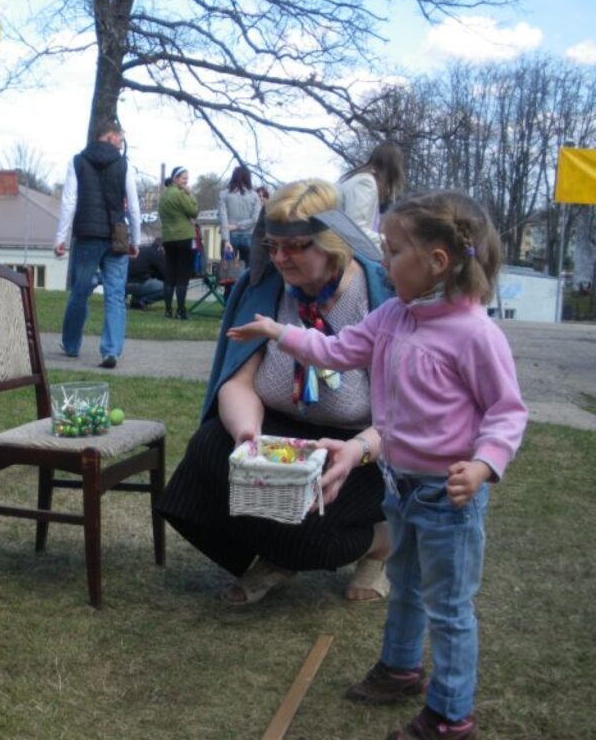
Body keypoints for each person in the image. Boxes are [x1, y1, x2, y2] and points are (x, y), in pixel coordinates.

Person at [229, 190, 527, 740]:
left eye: (391, 252)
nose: (382, 263)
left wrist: (484, 466)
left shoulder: (475, 334)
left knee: (449, 606)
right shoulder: (393, 315)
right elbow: (336, 350)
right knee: (406, 583)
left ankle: (450, 716)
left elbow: (507, 413)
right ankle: (400, 668)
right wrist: (278, 333)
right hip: (401, 485)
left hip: (448, 497)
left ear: (436, 263)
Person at [156, 179, 393, 606]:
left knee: (309, 530)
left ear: (333, 243)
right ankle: (277, 551)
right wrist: (249, 436)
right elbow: (239, 381)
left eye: (297, 246)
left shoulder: (379, 298)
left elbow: (405, 417)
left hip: (359, 451)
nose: (280, 258)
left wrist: (358, 450)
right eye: (273, 245)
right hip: (283, 435)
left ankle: (380, 541)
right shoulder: (263, 287)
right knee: (204, 460)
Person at [54, 119, 142, 369]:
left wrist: (61, 238)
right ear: (110, 136)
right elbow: (134, 208)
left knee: (80, 292)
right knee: (115, 295)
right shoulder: (124, 165)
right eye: (120, 139)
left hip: (87, 235)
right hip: (117, 236)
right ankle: (111, 350)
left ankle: (71, 345)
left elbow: (69, 202)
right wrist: (135, 240)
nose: (122, 144)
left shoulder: (77, 161)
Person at [337, 141, 405, 249]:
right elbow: (355, 231)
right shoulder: (365, 183)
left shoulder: (363, 180)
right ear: (394, 169)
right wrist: (390, 242)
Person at [158, 166, 199, 320]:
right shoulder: (181, 193)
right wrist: (191, 195)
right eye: (183, 178)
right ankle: (181, 310)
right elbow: (193, 211)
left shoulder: (164, 195)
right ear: (175, 178)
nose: (186, 182)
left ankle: (168, 310)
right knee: (182, 275)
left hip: (168, 238)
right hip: (183, 237)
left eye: (187, 179)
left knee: (169, 275)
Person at [218, 166, 261, 267]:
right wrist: (239, 226)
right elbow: (255, 219)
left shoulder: (223, 195)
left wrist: (226, 240)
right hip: (249, 236)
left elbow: (223, 220)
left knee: (228, 271)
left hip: (230, 236)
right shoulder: (255, 195)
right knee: (249, 272)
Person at [126, 238, 166, 310]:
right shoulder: (157, 254)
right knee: (168, 288)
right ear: (161, 247)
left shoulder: (142, 249)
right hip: (139, 283)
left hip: (125, 284)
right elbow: (165, 275)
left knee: (146, 281)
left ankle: (135, 301)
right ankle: (143, 301)